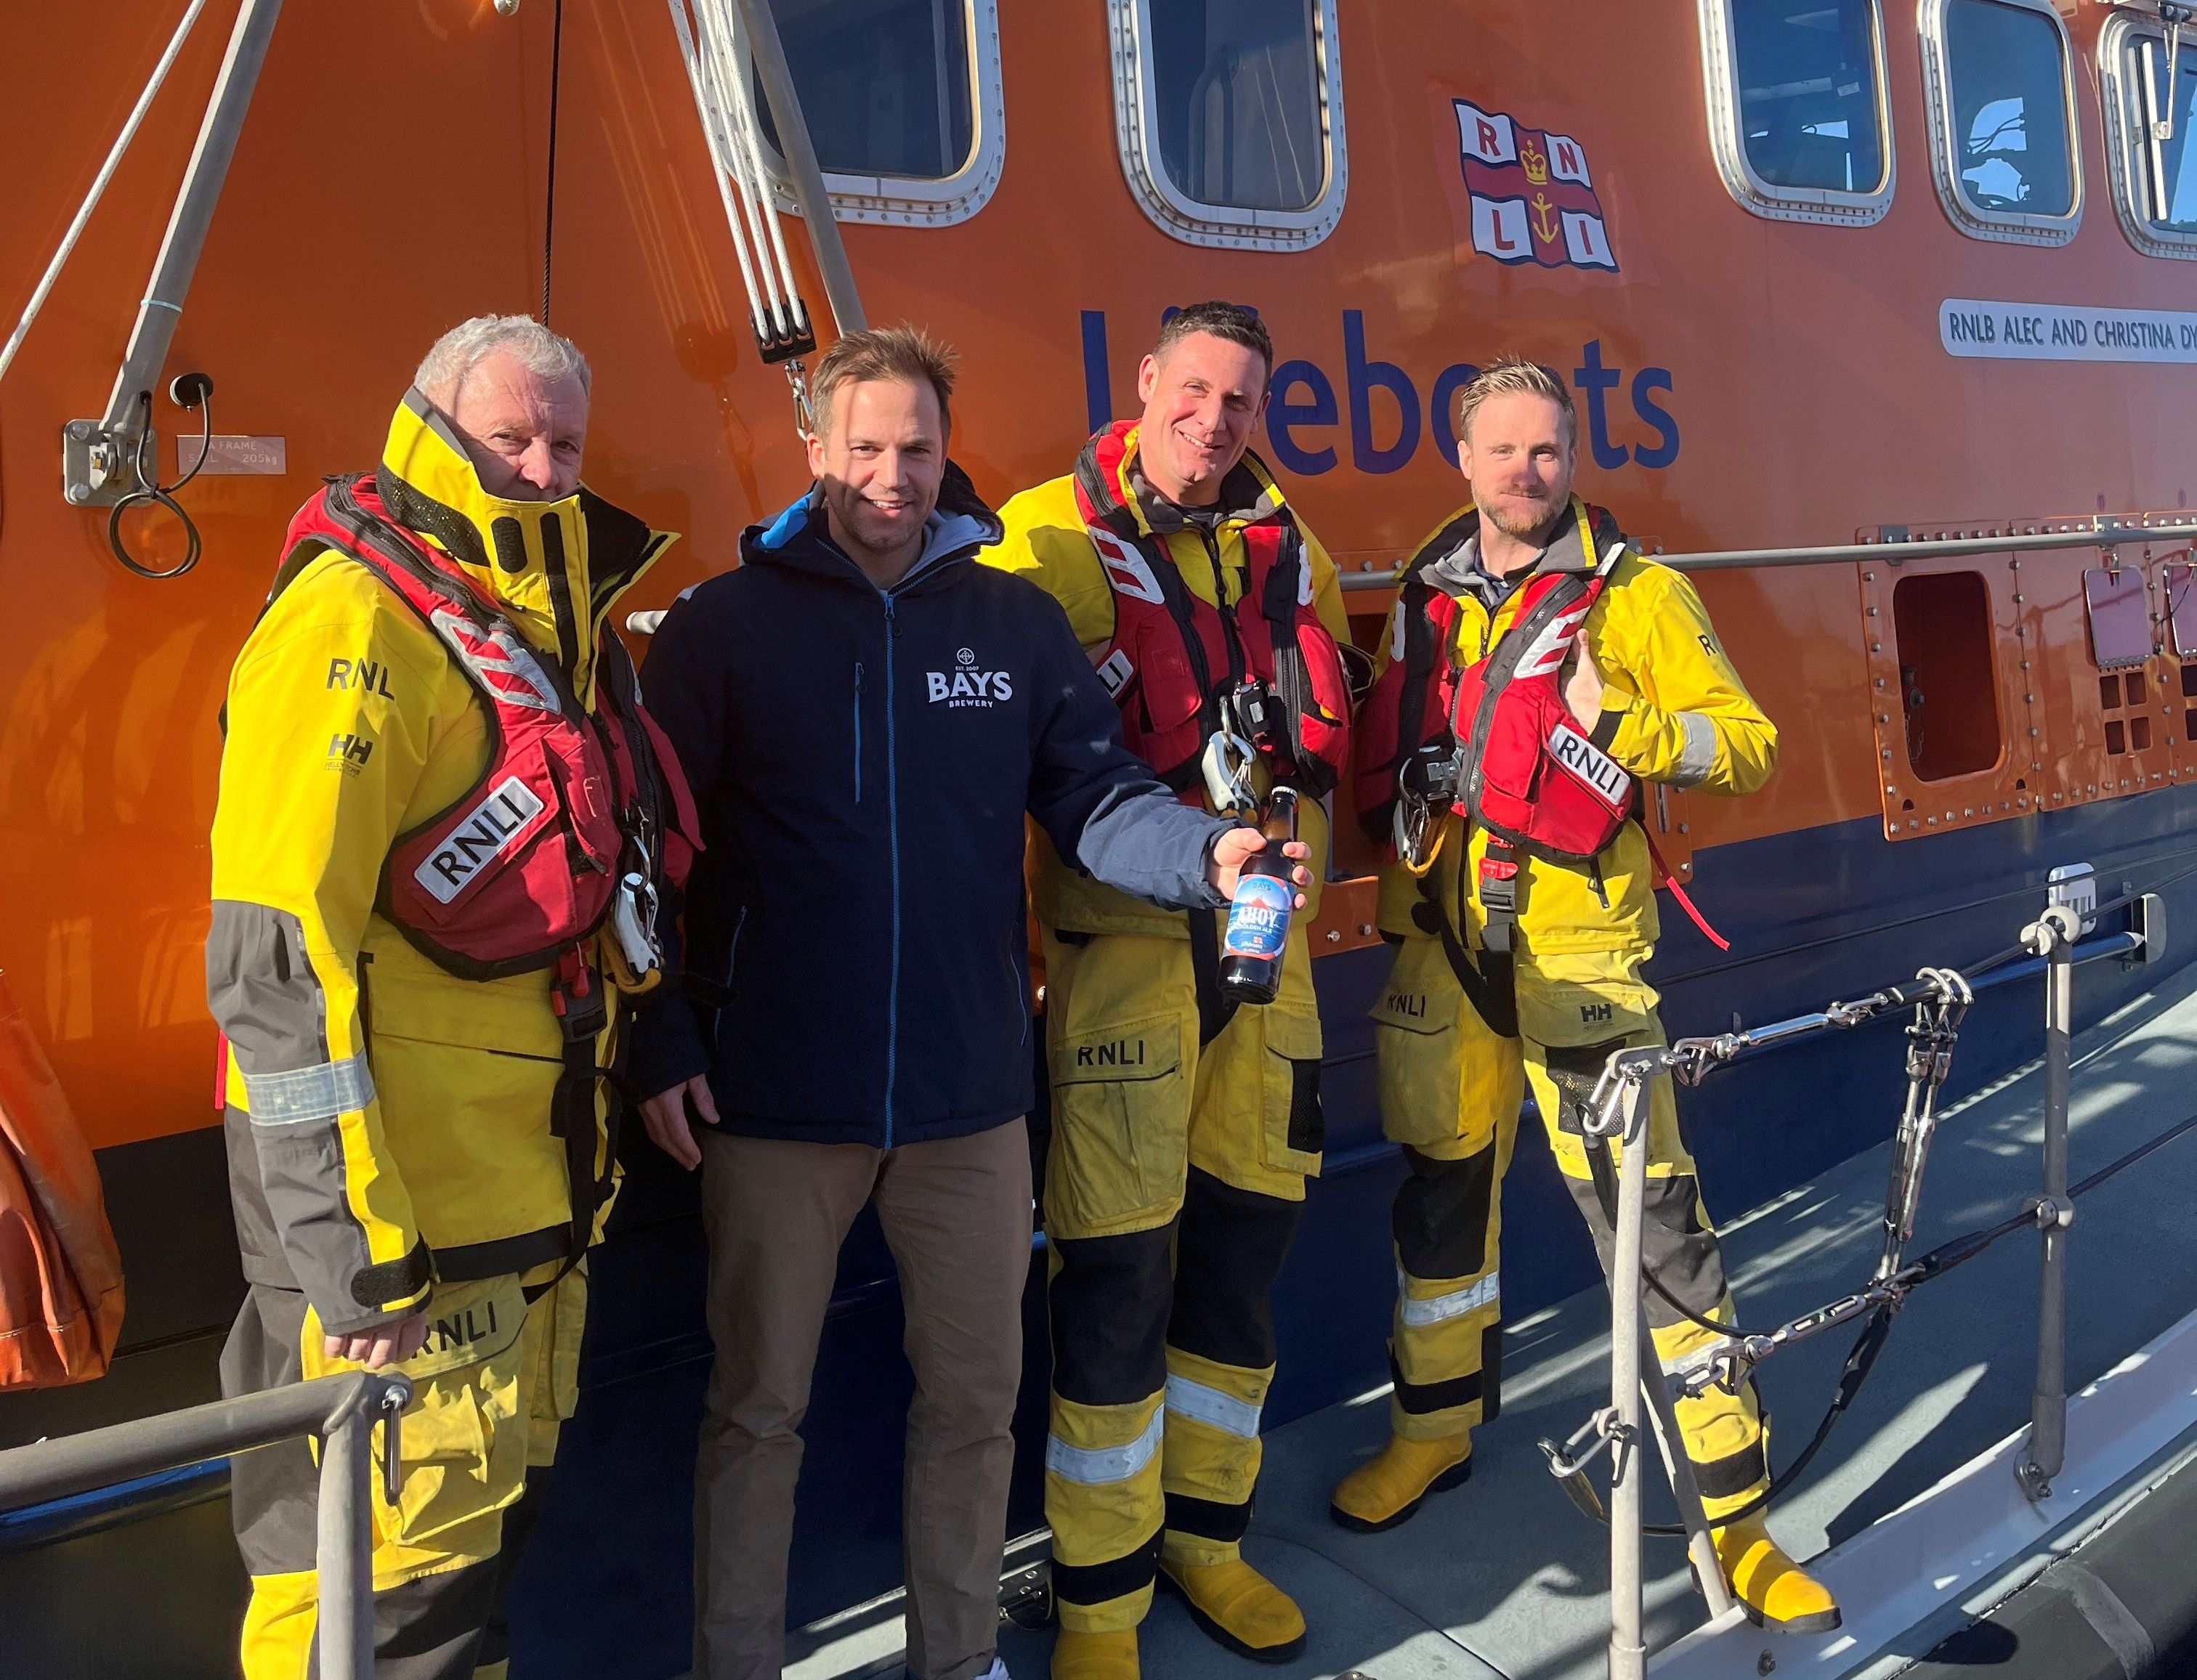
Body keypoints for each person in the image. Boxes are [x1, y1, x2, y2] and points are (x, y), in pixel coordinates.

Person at [628, 325, 1306, 1680]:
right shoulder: (721, 630)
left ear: (950, 455)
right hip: (771, 1097)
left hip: (970, 1101)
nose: (893, 474)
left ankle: (956, 1663)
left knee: (976, 1406)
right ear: (813, 448)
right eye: (865, 445)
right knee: (757, 1412)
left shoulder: (1012, 623)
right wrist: (658, 1029)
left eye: (918, 447)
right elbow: (643, 847)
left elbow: (1098, 801)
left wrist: (1208, 851)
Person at [207, 315, 696, 1679]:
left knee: (462, 1575)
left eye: (563, 442)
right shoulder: (354, 619)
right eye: (507, 436)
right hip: (402, 1231)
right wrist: (354, 1245)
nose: (539, 466)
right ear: (427, 427)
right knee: (380, 1590)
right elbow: (274, 956)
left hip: (525, 1208)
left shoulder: (556, 624)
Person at [1337, 357, 1836, 1631]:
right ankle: (1434, 1431)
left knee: (1657, 1237)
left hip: (1580, 973)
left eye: (1547, 450)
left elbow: (1752, 742)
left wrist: (1631, 732)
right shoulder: (1428, 595)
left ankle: (1740, 1521)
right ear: (1465, 463)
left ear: (1575, 455)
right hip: (1446, 958)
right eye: (1501, 452)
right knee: (1442, 1212)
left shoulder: (1643, 598)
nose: (1526, 473)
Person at [983, 301, 1357, 1680]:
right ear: (1144, 384)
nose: (1215, 420)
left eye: (1241, 400)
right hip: (1125, 956)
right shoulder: (1042, 540)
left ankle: (1211, 1538)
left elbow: (1326, 704)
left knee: (1240, 1276)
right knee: (1116, 1284)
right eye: (1193, 389)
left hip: (1272, 956)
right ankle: (1099, 1603)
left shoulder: (1285, 543)